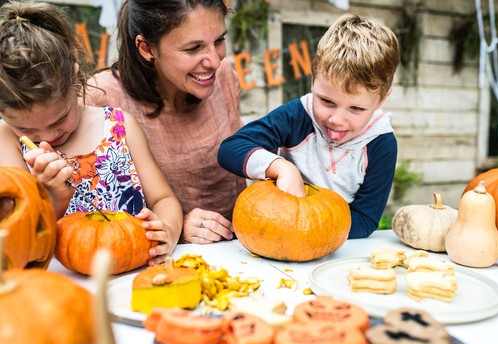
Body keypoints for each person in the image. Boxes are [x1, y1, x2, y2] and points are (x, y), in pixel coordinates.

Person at [0, 0, 183, 264]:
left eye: (59, 118)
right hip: (58, 288)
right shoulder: (8, 142)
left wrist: (167, 229)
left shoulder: (119, 127)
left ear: (76, 80)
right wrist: (52, 197)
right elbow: (17, 240)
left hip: (133, 274)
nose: (48, 137)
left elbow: (164, 198)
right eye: (25, 129)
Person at [218, 13, 400, 239]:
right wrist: (283, 168)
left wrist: (307, 229)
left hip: (332, 247)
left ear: (381, 100)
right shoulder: (297, 116)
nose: (337, 119)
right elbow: (231, 148)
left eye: (356, 109)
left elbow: (365, 220)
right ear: (313, 80)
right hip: (277, 231)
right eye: (327, 101)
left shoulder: (381, 144)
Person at [85, 0, 247, 244]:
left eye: (219, 41)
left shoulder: (224, 76)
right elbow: (90, 218)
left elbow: (238, 179)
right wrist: (174, 228)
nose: (214, 61)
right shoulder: (101, 99)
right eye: (193, 48)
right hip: (156, 262)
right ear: (147, 49)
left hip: (241, 251)